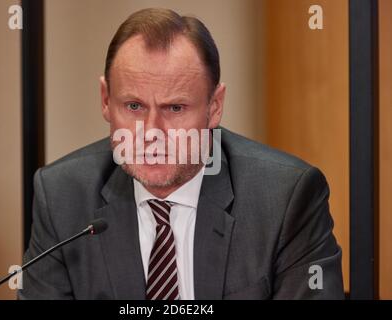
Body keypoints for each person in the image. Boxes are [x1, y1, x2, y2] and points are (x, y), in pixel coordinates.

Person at [18, 8, 344, 300]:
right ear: (105, 100)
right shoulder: (62, 196)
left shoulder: (285, 198)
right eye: (133, 106)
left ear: (214, 107)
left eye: (175, 108)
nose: (152, 133)